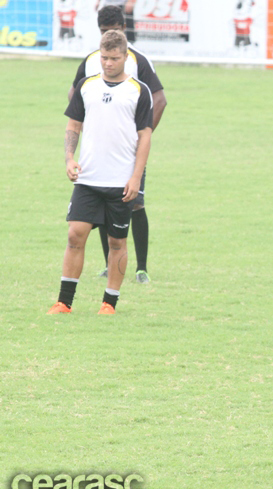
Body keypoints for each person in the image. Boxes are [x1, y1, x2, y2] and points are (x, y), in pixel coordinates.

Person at [48, 29, 153, 315]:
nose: (108, 63)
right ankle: (64, 302)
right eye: (104, 57)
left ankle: (109, 303)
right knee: (75, 234)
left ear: (125, 56)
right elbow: (73, 126)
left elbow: (145, 137)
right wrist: (69, 159)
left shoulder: (139, 92)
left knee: (117, 242)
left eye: (114, 58)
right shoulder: (86, 86)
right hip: (89, 179)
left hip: (121, 181)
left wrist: (135, 177)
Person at [70, 5, 166, 283]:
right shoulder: (91, 60)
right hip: (99, 150)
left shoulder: (138, 61)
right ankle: (108, 265)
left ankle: (142, 268)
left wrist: (141, 136)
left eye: (113, 30)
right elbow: (74, 94)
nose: (108, 35)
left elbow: (159, 100)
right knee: (103, 205)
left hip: (130, 150)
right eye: (103, 32)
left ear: (124, 28)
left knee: (134, 203)